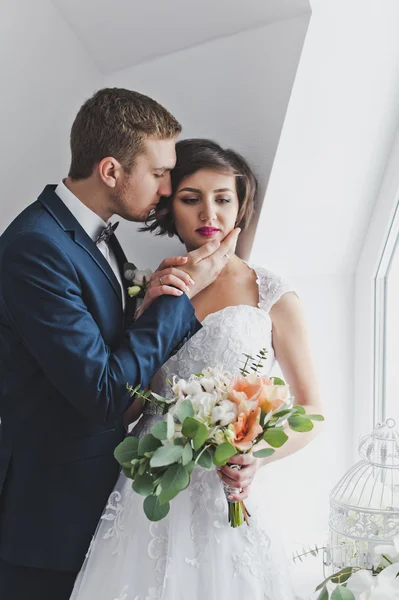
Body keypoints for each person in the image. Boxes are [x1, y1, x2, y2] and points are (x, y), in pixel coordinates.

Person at [0, 92, 239, 600]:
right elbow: (103, 392)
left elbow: (95, 347)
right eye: (159, 173)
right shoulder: (36, 246)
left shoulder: (93, 235)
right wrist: (182, 300)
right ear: (111, 171)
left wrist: (145, 307)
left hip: (99, 502)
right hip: (47, 519)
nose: (169, 188)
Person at [70, 138, 323, 600]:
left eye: (223, 199)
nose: (210, 214)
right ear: (170, 208)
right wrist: (148, 311)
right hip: (148, 489)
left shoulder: (272, 294)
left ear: (241, 207)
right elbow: (123, 408)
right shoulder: (148, 290)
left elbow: (313, 408)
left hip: (226, 491)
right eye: (191, 199)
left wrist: (257, 457)